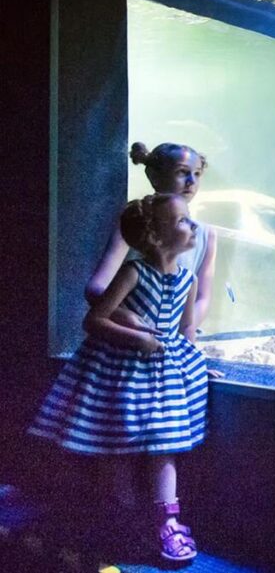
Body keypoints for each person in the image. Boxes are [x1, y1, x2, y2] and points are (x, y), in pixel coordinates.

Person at [29, 194, 219, 561]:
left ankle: (168, 522)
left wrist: (194, 360)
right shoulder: (134, 272)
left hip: (164, 379)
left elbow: (185, 331)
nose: (192, 226)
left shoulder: (188, 280)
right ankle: (122, 519)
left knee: (165, 446)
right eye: (182, 221)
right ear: (155, 235)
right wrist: (138, 338)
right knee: (117, 446)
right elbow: (95, 320)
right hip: (122, 375)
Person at [86, 141, 218, 330]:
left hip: (171, 340)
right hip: (130, 339)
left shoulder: (206, 234)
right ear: (154, 176)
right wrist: (128, 320)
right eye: (182, 172)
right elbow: (95, 288)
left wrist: (176, 335)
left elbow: (203, 298)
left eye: (197, 174)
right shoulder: (137, 222)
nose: (191, 181)